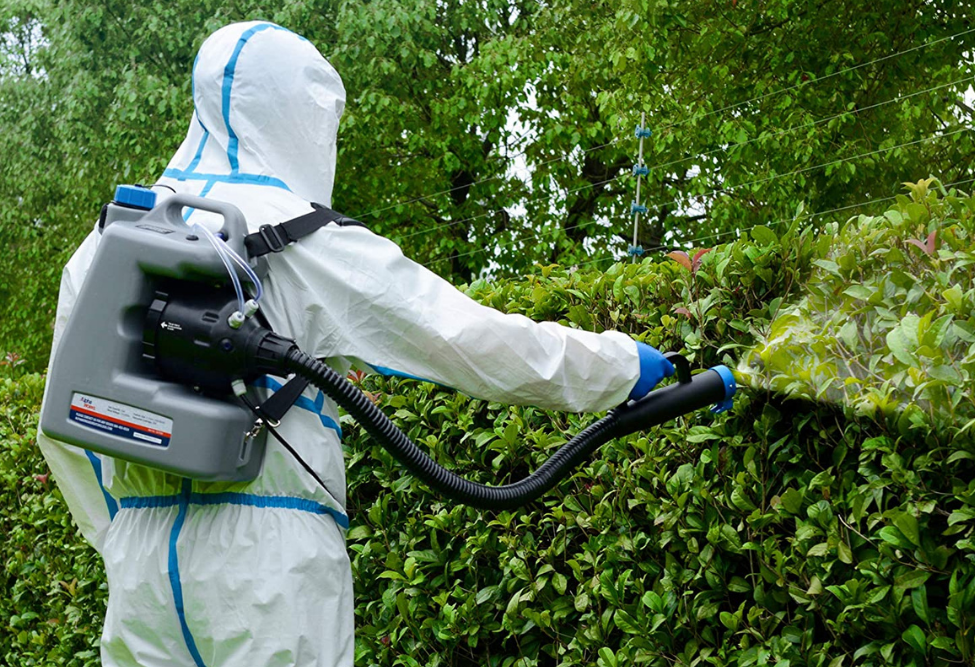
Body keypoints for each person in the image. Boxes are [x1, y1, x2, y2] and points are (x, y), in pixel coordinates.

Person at [37, 20, 676, 667]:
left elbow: (61, 422)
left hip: (141, 571)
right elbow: (468, 339)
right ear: (303, 113)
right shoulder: (307, 239)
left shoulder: (103, 245)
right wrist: (619, 367)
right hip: (272, 566)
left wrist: (118, 530)